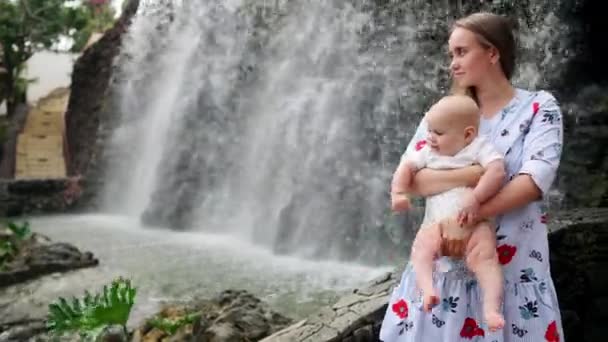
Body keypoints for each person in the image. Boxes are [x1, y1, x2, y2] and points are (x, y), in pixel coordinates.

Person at [379, 11, 565, 342]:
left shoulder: (540, 108)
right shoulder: (446, 112)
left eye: (462, 52)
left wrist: (471, 214)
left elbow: (534, 181)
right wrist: (477, 173)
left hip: (510, 271)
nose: (453, 63)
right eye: (451, 54)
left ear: (492, 53)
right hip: (442, 275)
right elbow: (414, 180)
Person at [390, 94, 507, 332]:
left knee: (486, 259)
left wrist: (476, 197)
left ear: (467, 134)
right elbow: (406, 168)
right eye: (430, 130)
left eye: (439, 133)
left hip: (476, 222)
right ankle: (427, 290)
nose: (430, 137)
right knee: (421, 250)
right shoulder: (428, 149)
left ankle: (491, 308)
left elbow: (497, 171)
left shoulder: (478, 147)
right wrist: (398, 193)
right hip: (436, 222)